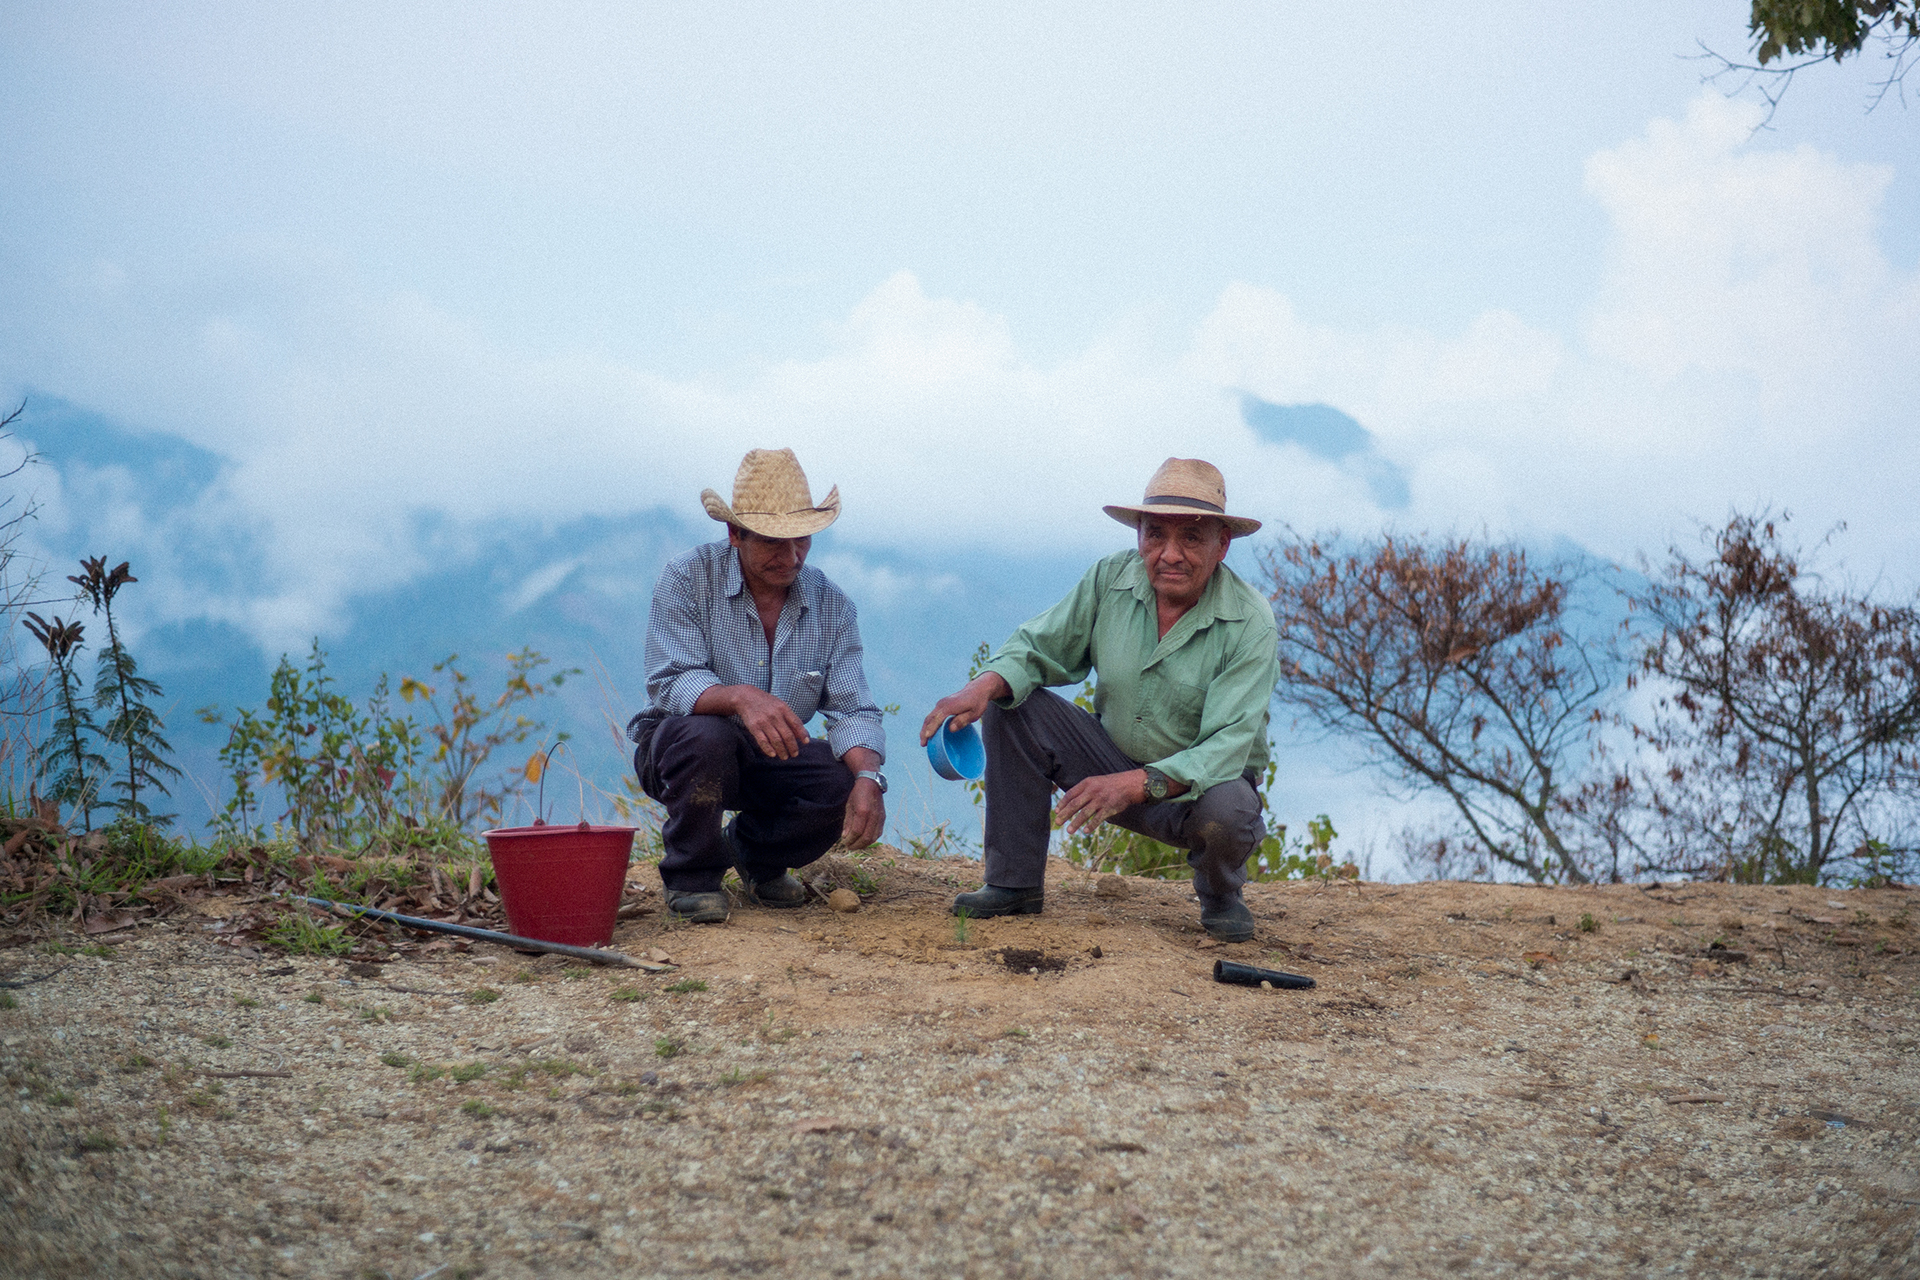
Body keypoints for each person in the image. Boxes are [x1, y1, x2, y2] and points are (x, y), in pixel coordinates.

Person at [921, 458, 1279, 942]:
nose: (1170, 554)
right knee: (1014, 704)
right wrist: (981, 687)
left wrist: (1136, 783)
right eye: (1155, 535)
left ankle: (1220, 895)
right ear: (1139, 538)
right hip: (1106, 761)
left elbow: (1229, 744)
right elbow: (1039, 646)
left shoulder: (1250, 622)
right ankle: (1013, 882)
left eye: (1191, 538)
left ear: (1222, 546)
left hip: (1197, 788)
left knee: (1230, 810)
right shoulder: (1111, 579)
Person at [629, 448, 887, 924]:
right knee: (706, 736)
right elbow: (668, 681)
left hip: (771, 757)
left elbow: (854, 709)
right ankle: (692, 878)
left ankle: (755, 857)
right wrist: (741, 697)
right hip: (681, 751)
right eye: (772, 541)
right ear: (734, 534)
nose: (790, 558)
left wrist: (869, 778)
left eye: (802, 541)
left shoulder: (833, 606)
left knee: (840, 780)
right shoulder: (688, 578)